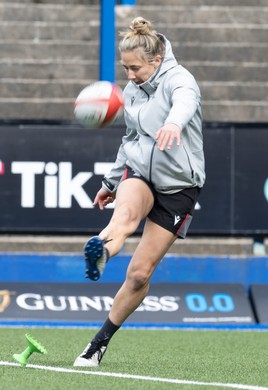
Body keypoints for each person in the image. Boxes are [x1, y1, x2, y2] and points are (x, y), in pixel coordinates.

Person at [73, 16, 205, 367]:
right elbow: (130, 139)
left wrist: (175, 123)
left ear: (156, 61)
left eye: (134, 68)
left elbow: (185, 102)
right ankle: (100, 251)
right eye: (125, 68)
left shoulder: (180, 80)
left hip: (179, 186)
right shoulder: (132, 90)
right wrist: (110, 182)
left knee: (140, 273)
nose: (128, 77)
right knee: (124, 221)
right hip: (141, 174)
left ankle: (98, 343)